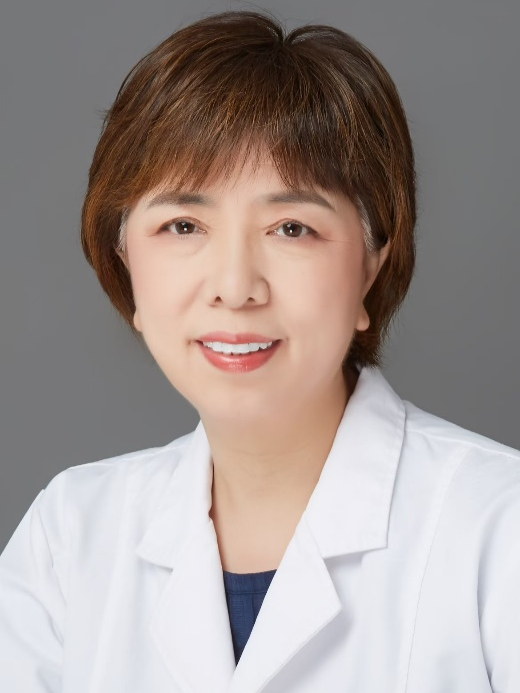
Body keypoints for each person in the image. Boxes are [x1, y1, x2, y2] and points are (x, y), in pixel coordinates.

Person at [1, 9, 519, 692]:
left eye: (292, 227)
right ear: (123, 262)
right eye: (183, 225)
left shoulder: (498, 527)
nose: (236, 285)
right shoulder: (69, 537)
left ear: (371, 266)